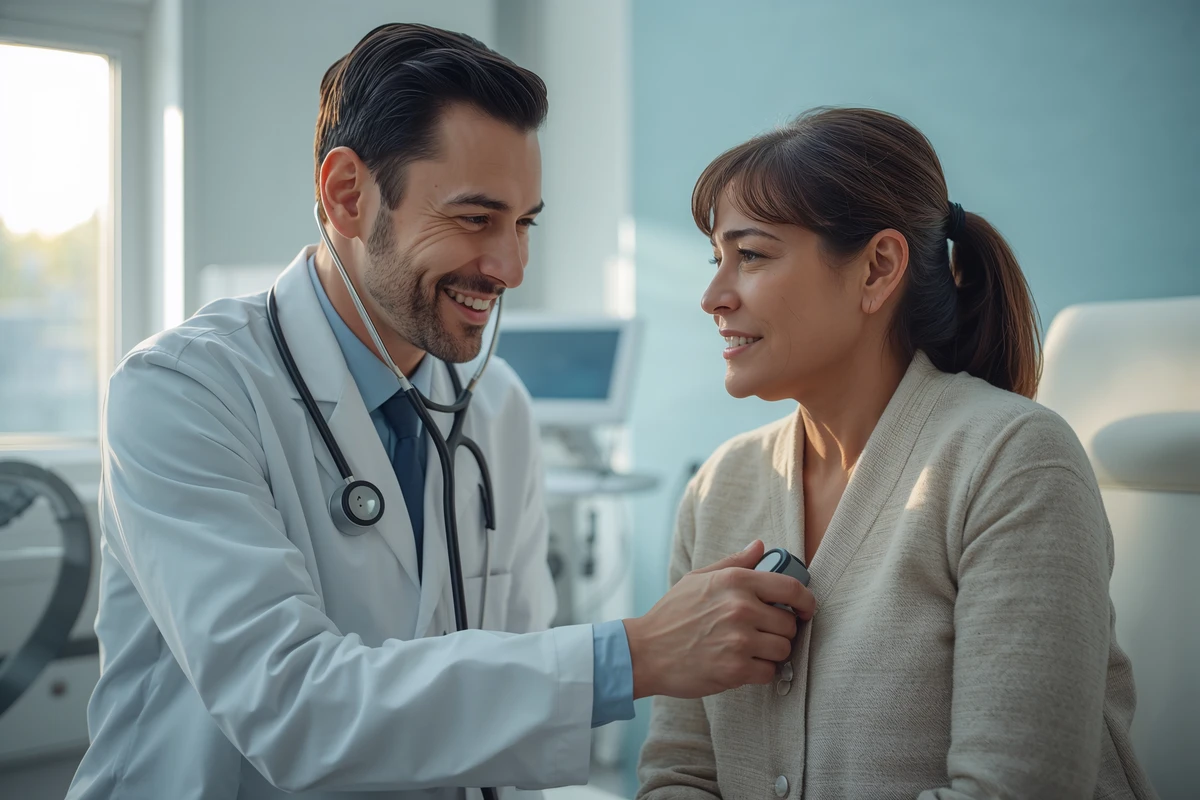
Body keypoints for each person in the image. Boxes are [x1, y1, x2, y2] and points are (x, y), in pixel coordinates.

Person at [66, 24, 816, 800]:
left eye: (523, 223)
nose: (511, 267)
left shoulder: (496, 410)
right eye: (475, 219)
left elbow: (507, 704)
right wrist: (636, 654)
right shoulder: (184, 393)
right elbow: (289, 707)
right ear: (348, 194)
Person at [636, 107, 1158, 799]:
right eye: (716, 259)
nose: (712, 297)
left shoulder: (1015, 461)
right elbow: (678, 774)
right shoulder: (719, 488)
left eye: (752, 255)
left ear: (878, 268)